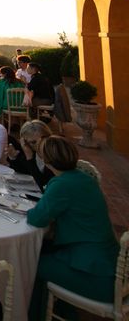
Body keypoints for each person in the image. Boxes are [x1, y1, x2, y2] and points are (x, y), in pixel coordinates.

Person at [27, 136, 119, 320]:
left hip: (94, 275)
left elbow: (37, 218)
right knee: (44, 251)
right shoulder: (84, 178)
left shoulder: (61, 184)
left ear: (46, 159)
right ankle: (62, 309)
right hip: (110, 266)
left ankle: (37, 315)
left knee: (31, 264)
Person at [5, 120, 54, 191]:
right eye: (32, 142)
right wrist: (13, 156)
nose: (39, 144)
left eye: (42, 139)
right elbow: (24, 170)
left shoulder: (54, 155)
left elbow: (44, 185)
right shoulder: (32, 151)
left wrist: (29, 158)